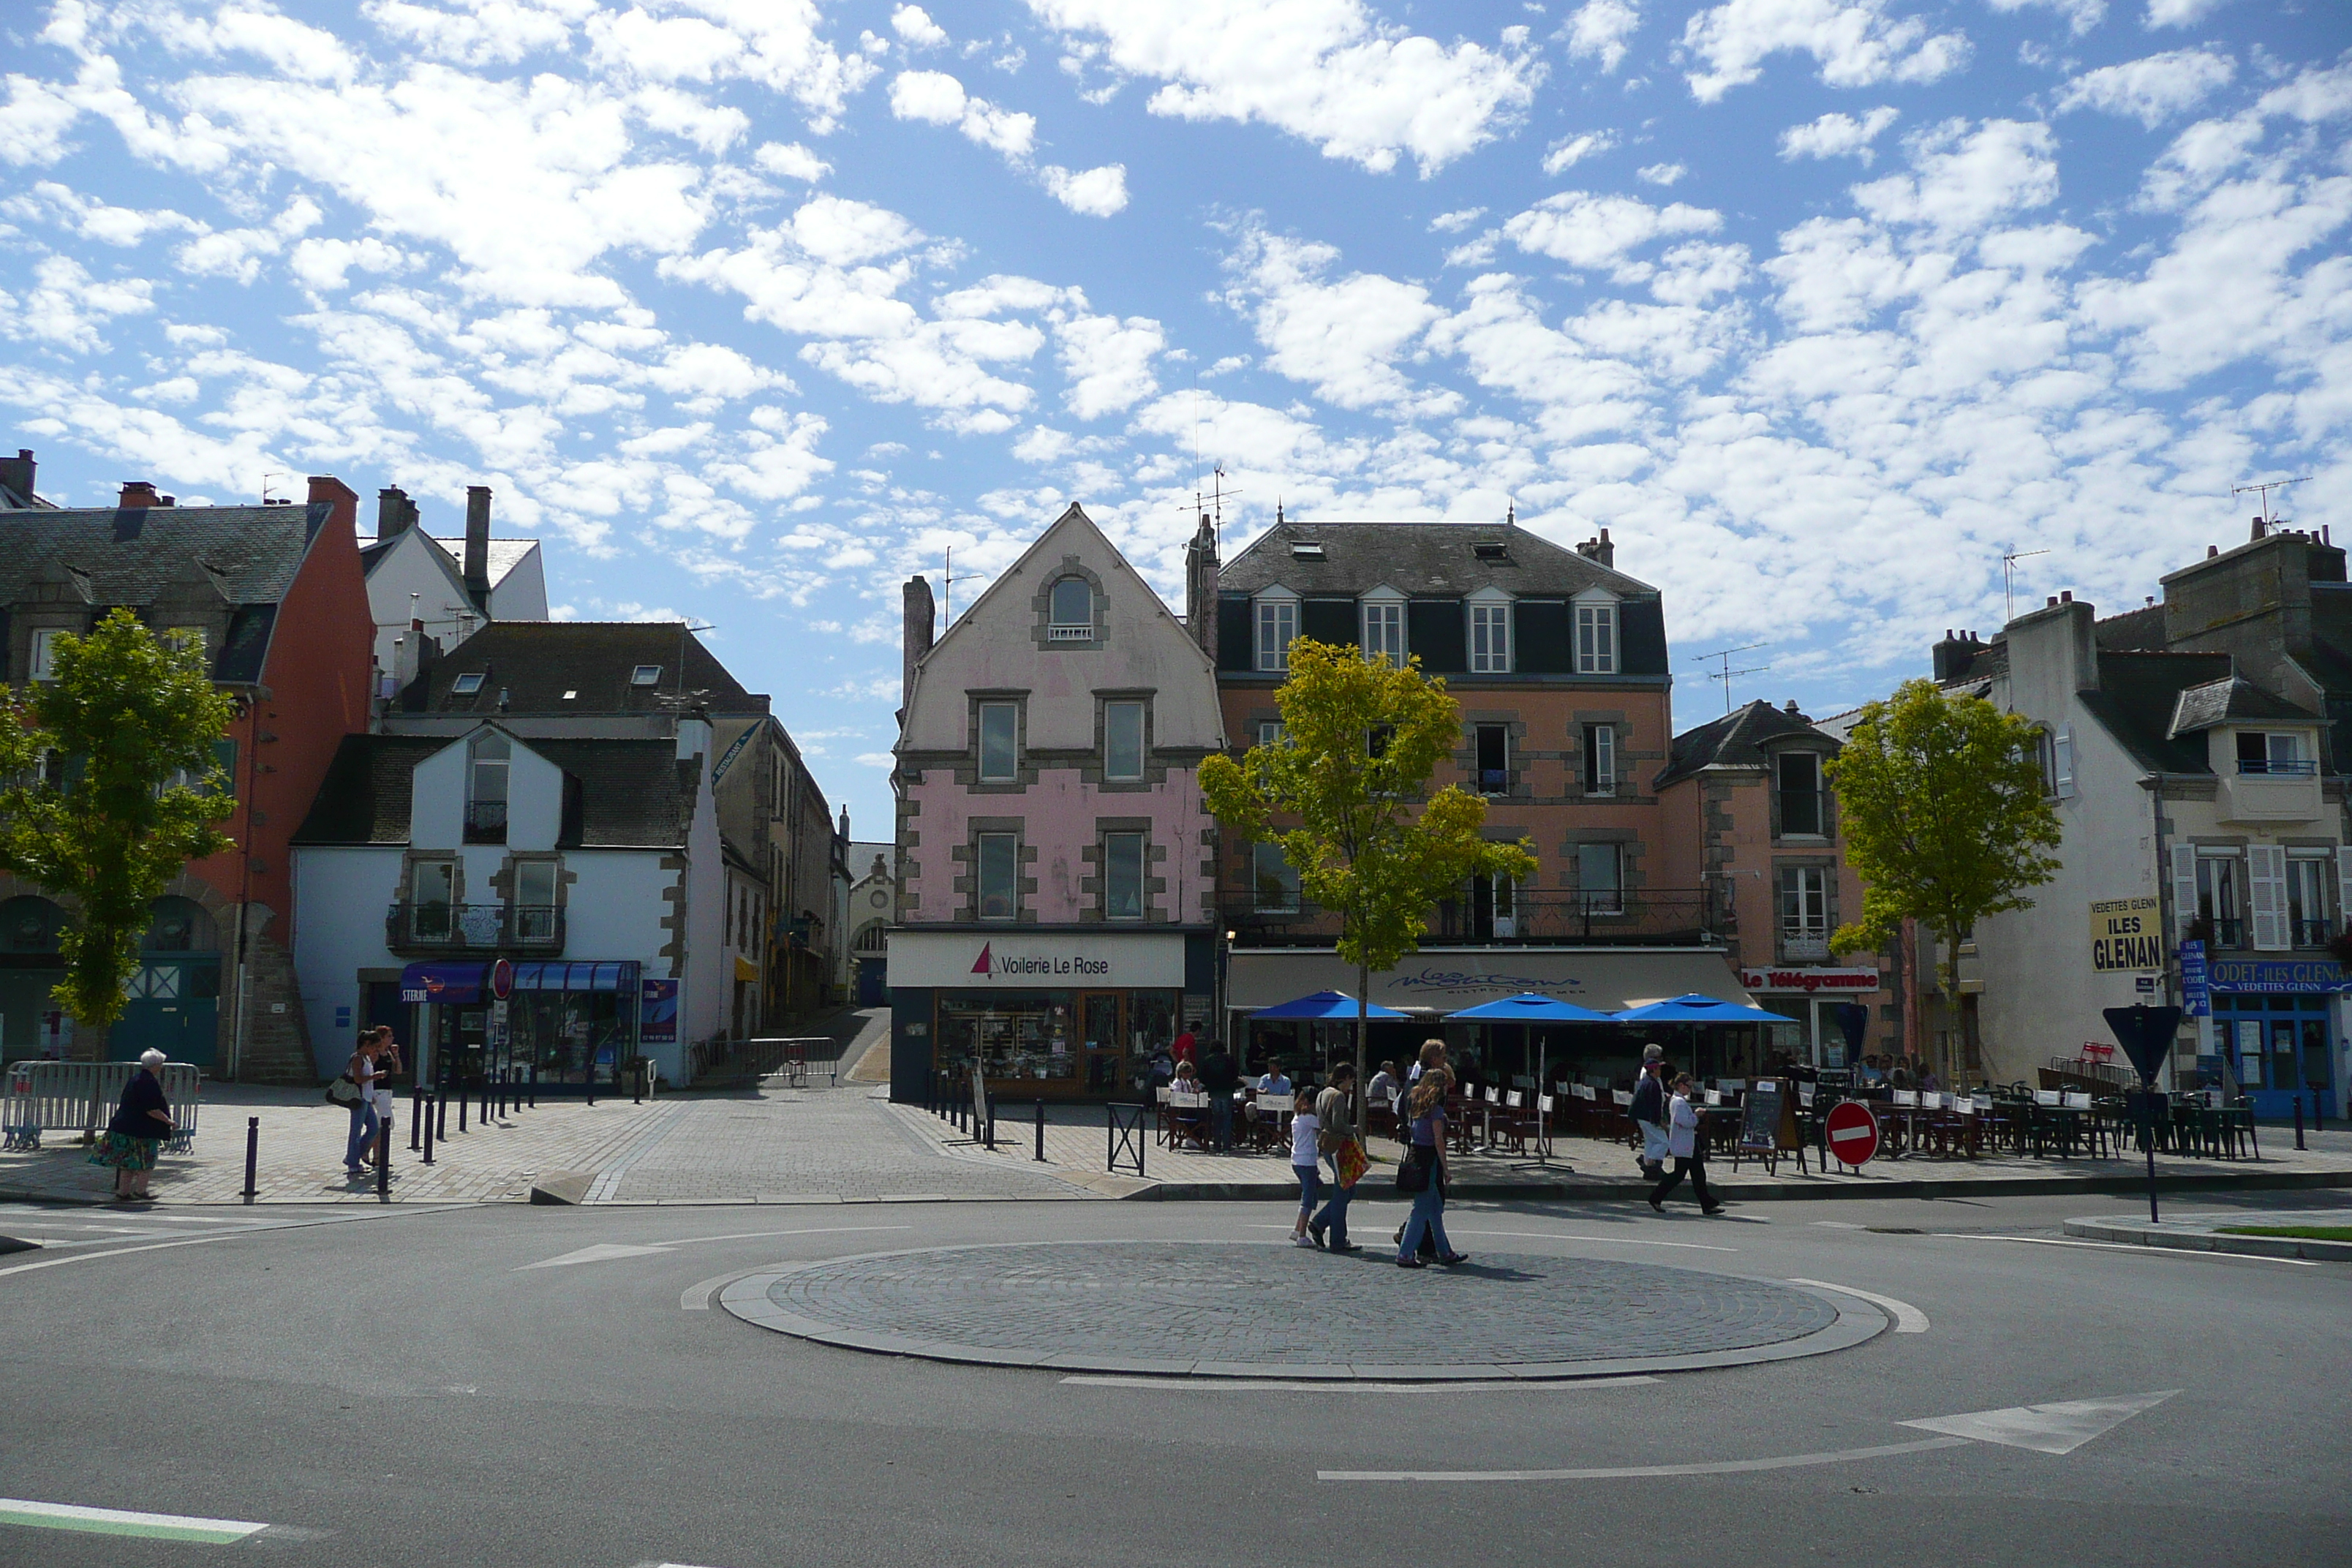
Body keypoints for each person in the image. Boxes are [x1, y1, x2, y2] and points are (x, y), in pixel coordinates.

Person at [1396, 1068, 1467, 1267]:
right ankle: (1405, 1252)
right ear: (1440, 1086)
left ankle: (1445, 1251)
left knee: (1435, 1209)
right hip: (1429, 1159)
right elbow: (1439, 1140)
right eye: (1445, 1085)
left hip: (1416, 1153)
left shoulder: (1417, 1105)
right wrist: (1446, 1168)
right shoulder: (1435, 1110)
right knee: (1420, 1209)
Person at [91, 1048, 173, 1201]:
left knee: (127, 1162)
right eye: (161, 1064)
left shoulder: (136, 1079)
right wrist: (169, 1122)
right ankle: (140, 1191)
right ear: (155, 1065)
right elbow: (151, 1109)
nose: (161, 1067)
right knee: (146, 1162)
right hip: (141, 1130)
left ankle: (123, 1192)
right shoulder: (148, 1082)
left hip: (124, 1127)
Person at [1649, 1072, 1722, 1215]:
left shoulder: (1679, 1101)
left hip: (1688, 1143)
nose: (1690, 1089)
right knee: (1679, 1175)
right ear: (1681, 1085)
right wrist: (1696, 1115)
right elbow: (1685, 1122)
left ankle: (1707, 1204)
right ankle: (1656, 1197)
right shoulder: (1678, 1102)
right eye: (1688, 1086)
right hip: (1684, 1144)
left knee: (1698, 1174)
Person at [1309, 1062, 1363, 1252]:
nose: (1353, 1083)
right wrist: (1354, 1129)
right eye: (1352, 1079)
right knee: (1344, 1191)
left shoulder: (1323, 1093)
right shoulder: (1339, 1096)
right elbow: (1338, 1124)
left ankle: (1320, 1222)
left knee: (1348, 1190)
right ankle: (1338, 1239)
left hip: (1327, 1146)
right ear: (1345, 1078)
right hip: (1339, 1147)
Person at [344, 1031, 382, 1176]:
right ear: (367, 1044)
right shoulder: (357, 1058)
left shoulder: (366, 1058)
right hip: (358, 1099)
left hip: (366, 1098)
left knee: (373, 1128)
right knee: (356, 1130)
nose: (376, 1050)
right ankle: (353, 1163)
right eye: (375, 1046)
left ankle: (352, 1156)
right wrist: (375, 1076)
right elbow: (358, 1079)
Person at [1630, 1044, 1670, 1181]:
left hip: (1643, 1115)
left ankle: (1650, 1169)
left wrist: (1663, 1096)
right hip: (1648, 1115)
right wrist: (1659, 1120)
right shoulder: (1649, 1080)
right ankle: (1650, 1164)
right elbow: (1652, 1100)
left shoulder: (1649, 1079)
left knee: (1651, 1141)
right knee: (1663, 1142)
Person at [1288, 1088, 1322, 1246]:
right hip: (1307, 1161)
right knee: (1308, 1199)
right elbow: (1322, 1125)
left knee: (1311, 1193)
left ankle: (1297, 1229)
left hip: (1297, 1160)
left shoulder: (1297, 1117)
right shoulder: (1308, 1118)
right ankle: (1302, 1235)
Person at [1197, 1041, 1239, 1150]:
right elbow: (1235, 1074)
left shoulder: (1208, 1060)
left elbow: (1202, 1076)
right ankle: (1227, 1144)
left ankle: (1217, 1144)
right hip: (1227, 1091)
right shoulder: (1229, 1059)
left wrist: (1208, 1085)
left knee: (1216, 1118)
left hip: (1214, 1091)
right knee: (1227, 1118)